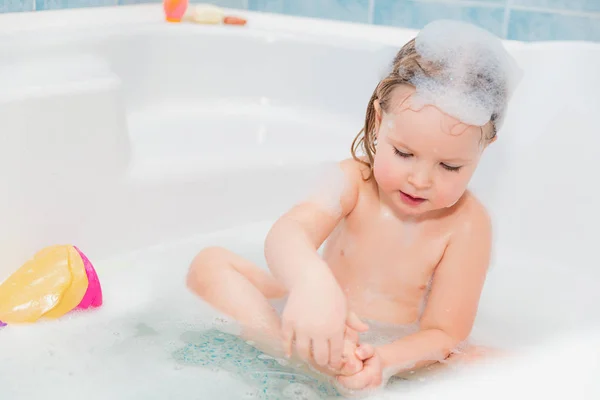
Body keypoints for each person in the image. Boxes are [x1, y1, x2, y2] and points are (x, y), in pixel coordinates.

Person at [186, 19, 521, 395]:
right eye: (404, 153)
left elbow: (444, 332)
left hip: (390, 349)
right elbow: (288, 233)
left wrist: (385, 361)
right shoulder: (355, 182)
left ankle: (332, 366)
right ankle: (288, 347)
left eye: (449, 167)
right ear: (380, 123)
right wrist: (311, 284)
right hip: (312, 318)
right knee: (209, 264)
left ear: (483, 150)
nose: (420, 179)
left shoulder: (466, 225)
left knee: (498, 363)